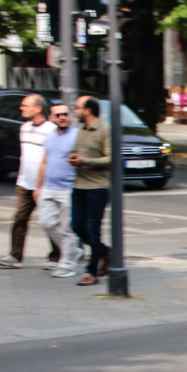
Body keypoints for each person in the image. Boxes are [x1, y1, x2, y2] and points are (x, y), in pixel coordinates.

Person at [0, 94, 59, 270]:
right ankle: (15, 256)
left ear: (38, 108)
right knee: (20, 219)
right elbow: (26, 156)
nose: (22, 108)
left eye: (25, 105)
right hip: (24, 182)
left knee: (49, 221)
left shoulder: (51, 130)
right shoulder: (24, 128)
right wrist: (21, 176)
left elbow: (52, 158)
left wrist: (42, 184)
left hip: (44, 184)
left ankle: (56, 256)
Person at [67, 97, 111, 287]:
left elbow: (110, 158)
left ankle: (91, 272)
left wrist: (85, 161)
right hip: (79, 186)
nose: (74, 111)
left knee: (93, 229)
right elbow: (76, 150)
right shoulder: (80, 131)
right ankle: (105, 252)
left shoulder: (104, 130)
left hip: (98, 187)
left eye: (77, 108)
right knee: (77, 226)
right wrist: (73, 157)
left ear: (88, 110)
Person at [34, 103, 81, 278]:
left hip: (69, 188)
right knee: (46, 223)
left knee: (68, 228)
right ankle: (72, 251)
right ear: (51, 118)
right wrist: (39, 186)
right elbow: (44, 161)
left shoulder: (77, 135)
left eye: (65, 114)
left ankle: (67, 264)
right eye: (58, 115)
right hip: (48, 187)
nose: (62, 117)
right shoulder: (50, 136)